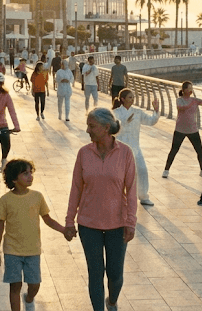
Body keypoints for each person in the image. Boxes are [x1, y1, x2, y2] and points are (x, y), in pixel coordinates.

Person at [65, 108, 137, 311]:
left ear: (106, 128)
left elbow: (131, 191)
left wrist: (130, 222)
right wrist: (70, 221)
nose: (88, 130)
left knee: (115, 274)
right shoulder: (83, 153)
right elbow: (76, 189)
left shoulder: (125, 153)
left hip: (118, 224)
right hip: (89, 224)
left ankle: (112, 301)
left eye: (92, 126)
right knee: (95, 273)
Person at [0, 159, 65, 311]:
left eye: (30, 173)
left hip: (33, 250)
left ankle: (29, 297)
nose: (30, 176)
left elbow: (48, 219)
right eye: (25, 174)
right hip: (12, 250)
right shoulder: (5, 200)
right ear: (14, 179)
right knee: (15, 285)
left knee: (34, 284)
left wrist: (64, 230)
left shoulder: (37, 197)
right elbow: (0, 226)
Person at [112, 89, 160, 206]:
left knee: (142, 170)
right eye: (129, 97)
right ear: (122, 99)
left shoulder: (138, 112)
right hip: (120, 149)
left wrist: (156, 110)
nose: (132, 99)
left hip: (135, 148)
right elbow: (112, 130)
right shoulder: (115, 112)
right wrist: (124, 122)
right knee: (119, 175)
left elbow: (151, 121)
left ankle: (143, 196)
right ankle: (118, 198)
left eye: (133, 97)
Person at [163, 82, 202, 178]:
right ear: (184, 90)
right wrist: (192, 103)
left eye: (192, 88)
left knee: (199, 150)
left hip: (193, 130)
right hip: (180, 130)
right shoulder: (179, 100)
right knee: (174, 150)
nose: (191, 90)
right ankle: (166, 170)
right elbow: (181, 108)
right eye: (189, 88)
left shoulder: (195, 100)